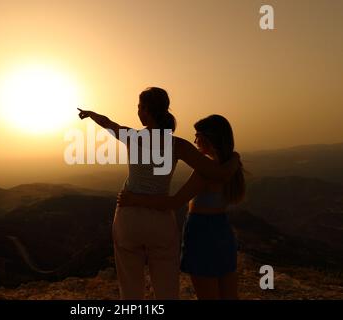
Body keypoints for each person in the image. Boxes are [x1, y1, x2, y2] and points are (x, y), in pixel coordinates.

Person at [78, 88, 240, 299]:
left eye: (139, 107)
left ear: (146, 111)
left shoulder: (132, 136)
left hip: (129, 215)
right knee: (166, 288)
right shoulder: (177, 145)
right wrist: (235, 158)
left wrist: (90, 114)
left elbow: (108, 122)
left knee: (130, 286)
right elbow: (217, 173)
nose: (137, 111)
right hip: (160, 219)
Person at [118, 114, 245, 300]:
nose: (194, 141)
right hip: (223, 231)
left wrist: (134, 199)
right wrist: (235, 156)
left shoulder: (206, 171)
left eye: (197, 136)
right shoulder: (232, 165)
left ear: (208, 138)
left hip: (202, 234)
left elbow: (174, 203)